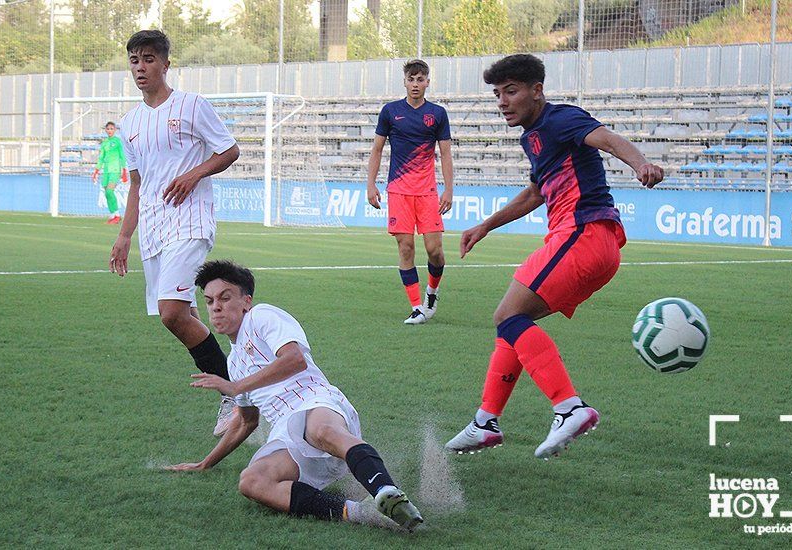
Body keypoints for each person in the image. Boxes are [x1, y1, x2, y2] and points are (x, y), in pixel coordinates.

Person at [445, 54, 664, 459]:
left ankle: (569, 407)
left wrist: (641, 163)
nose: (503, 102)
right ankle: (484, 421)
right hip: (589, 244)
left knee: (507, 318)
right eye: (497, 94)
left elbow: (609, 139)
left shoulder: (561, 119)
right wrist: (485, 226)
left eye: (511, 91)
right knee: (512, 323)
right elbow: (534, 194)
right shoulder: (532, 137)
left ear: (537, 91)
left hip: (583, 234)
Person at [166, 260, 424, 532]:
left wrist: (237, 387)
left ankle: (385, 491)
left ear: (246, 302)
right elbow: (246, 422)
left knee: (321, 429)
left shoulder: (261, 316)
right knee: (252, 482)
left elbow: (295, 359)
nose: (216, 307)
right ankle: (361, 512)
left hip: (314, 400)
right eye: (209, 301)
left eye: (225, 297)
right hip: (285, 433)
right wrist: (206, 463)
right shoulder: (234, 363)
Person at [108, 30, 241, 436]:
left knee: (170, 312)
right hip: (152, 228)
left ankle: (234, 393)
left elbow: (230, 149)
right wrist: (124, 237)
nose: (140, 67)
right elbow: (137, 184)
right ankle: (246, 377)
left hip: (189, 221)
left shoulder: (191, 106)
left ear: (166, 63)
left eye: (148, 59)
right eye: (134, 60)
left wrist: (194, 173)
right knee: (182, 315)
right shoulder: (129, 123)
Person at [367, 59, 454, 325]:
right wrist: (371, 184)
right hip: (398, 191)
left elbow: (446, 152)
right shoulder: (390, 111)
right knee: (405, 248)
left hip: (427, 192)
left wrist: (448, 189)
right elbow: (378, 149)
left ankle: (432, 293)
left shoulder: (437, 114)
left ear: (427, 82)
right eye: (411, 79)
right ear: (405, 81)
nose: (415, 85)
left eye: (420, 80)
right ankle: (417, 306)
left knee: (434, 249)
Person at [92, 121, 128, 224]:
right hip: (106, 172)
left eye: (112, 129)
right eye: (108, 129)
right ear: (105, 130)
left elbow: (122, 156)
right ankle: (113, 215)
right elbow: (101, 158)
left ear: (115, 130)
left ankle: (117, 215)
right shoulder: (104, 143)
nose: (110, 131)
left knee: (109, 191)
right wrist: (96, 170)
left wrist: (124, 170)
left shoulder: (117, 142)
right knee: (107, 194)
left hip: (115, 170)